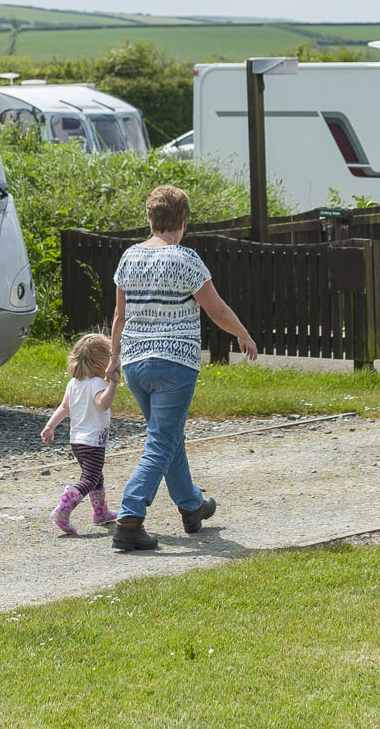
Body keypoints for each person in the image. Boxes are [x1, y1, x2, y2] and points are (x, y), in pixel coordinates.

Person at [107, 184, 259, 552]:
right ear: (184, 221)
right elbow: (216, 309)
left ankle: (192, 507)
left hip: (135, 364)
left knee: (167, 435)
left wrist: (114, 358)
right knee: (160, 440)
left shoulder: (129, 257)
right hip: (174, 364)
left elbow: (119, 316)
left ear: (150, 218)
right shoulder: (185, 258)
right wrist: (243, 333)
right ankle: (129, 519)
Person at [39, 332, 119, 534]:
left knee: (96, 476)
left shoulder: (73, 383)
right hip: (93, 442)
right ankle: (62, 510)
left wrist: (50, 426)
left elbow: (64, 408)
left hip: (77, 441)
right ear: (103, 361)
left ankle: (101, 513)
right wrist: (113, 383)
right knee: (90, 479)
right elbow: (103, 404)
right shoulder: (97, 384)